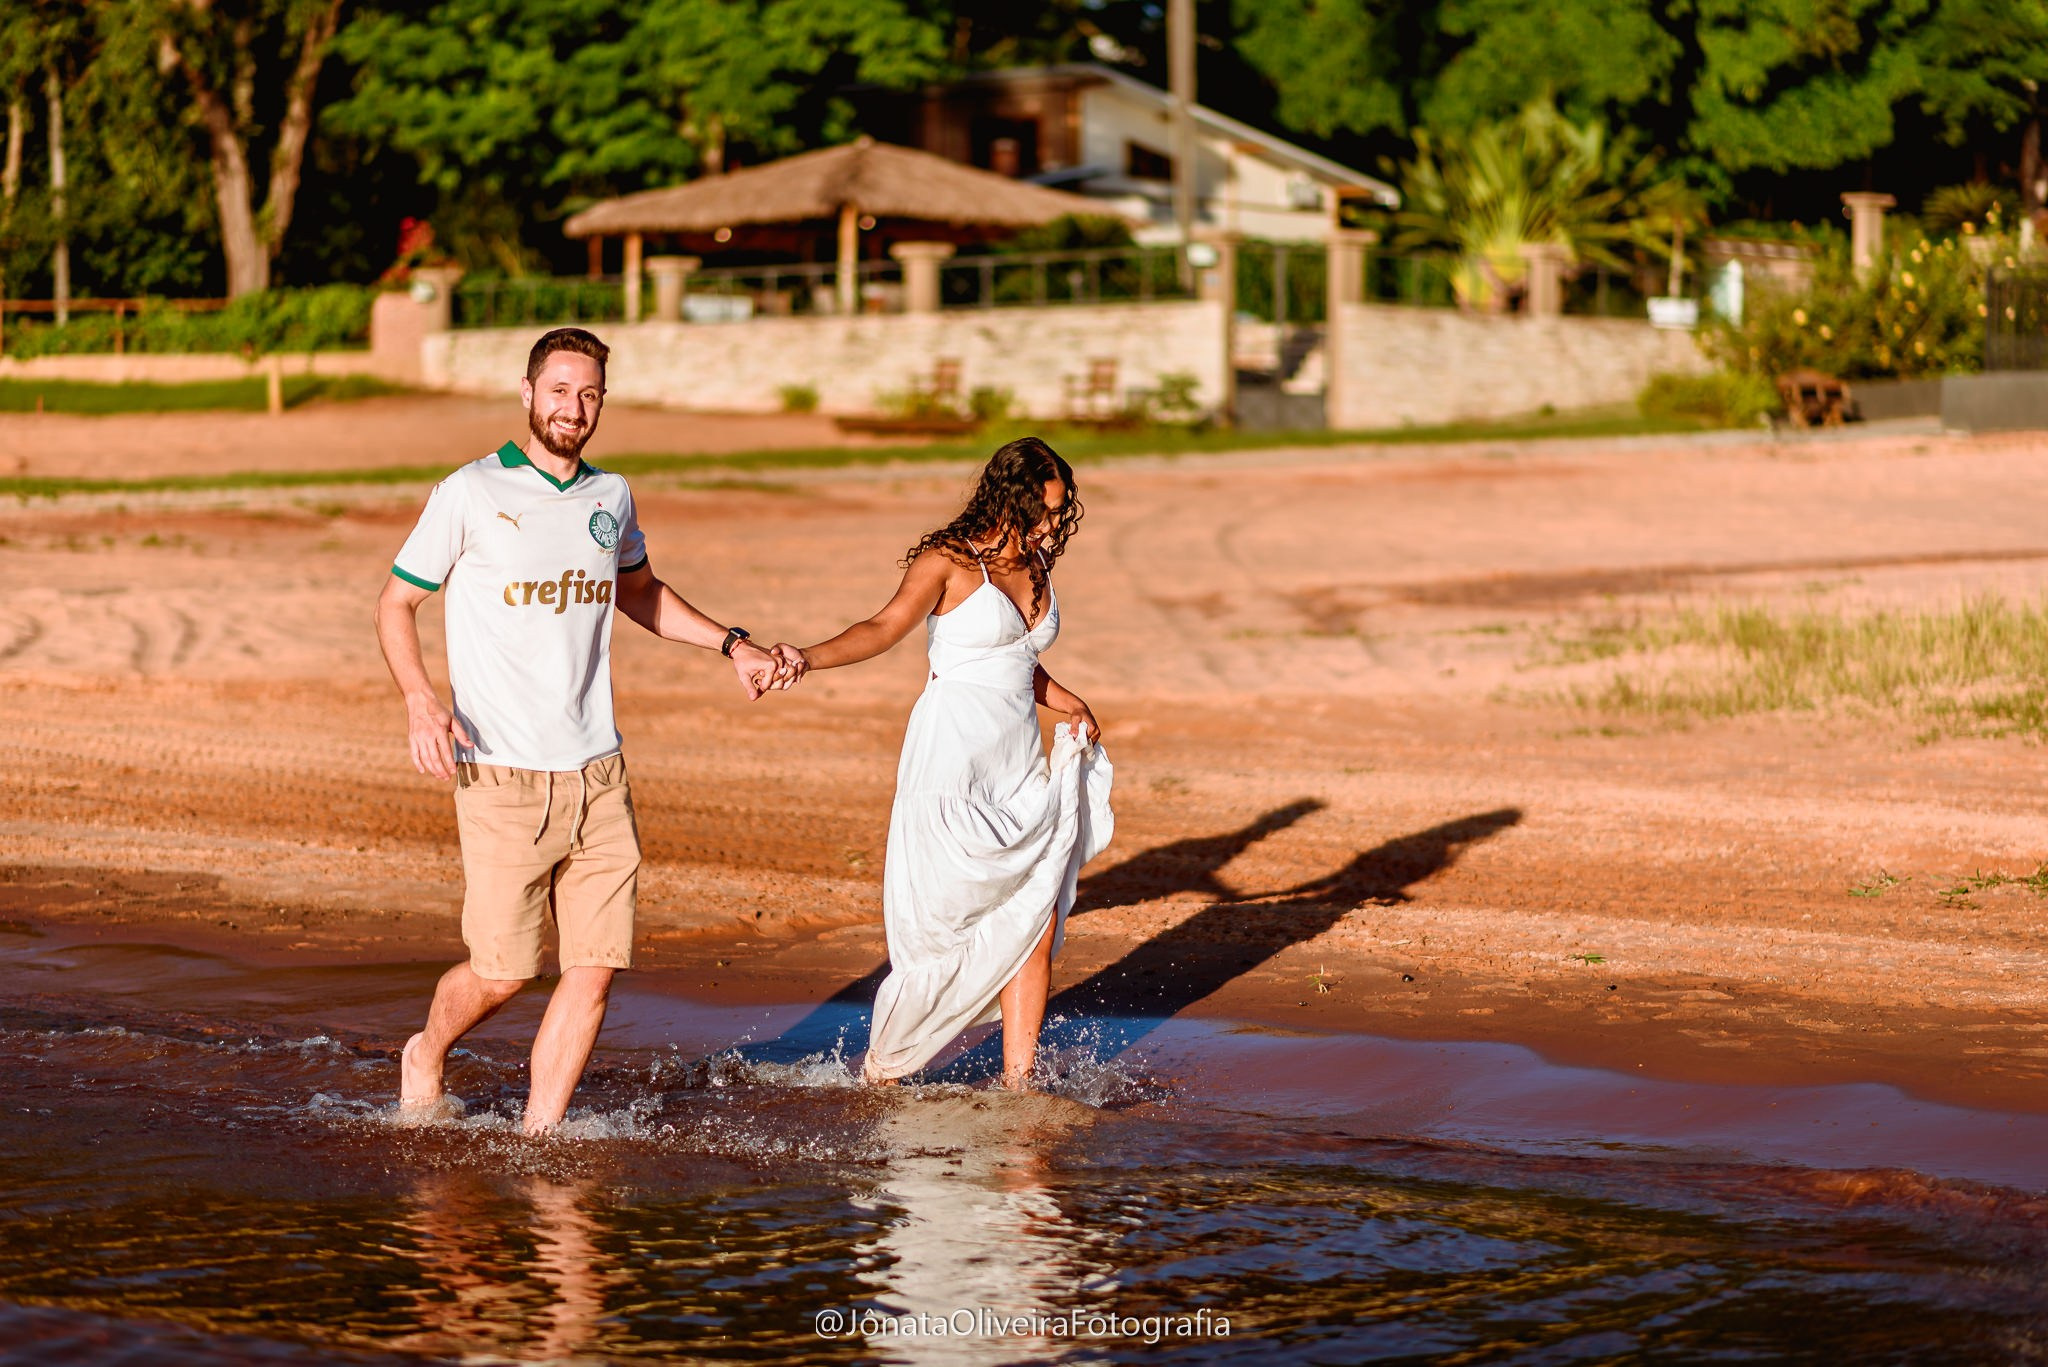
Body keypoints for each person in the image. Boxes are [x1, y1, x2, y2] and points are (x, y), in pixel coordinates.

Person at [374, 326, 786, 1134]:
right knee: (502, 973)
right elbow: (397, 601)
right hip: (499, 770)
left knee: (594, 970)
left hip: (599, 772)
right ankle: (425, 1050)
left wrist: (733, 644)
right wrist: (421, 698)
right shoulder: (470, 491)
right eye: (560, 390)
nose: (575, 407)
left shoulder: (611, 497)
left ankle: (540, 1139)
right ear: (528, 394)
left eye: (590, 393)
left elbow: (640, 592)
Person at [772, 436, 1113, 1089]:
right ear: (1007, 498)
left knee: (1033, 919)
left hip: (1016, 766)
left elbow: (1015, 661)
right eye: (1040, 510)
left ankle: (1019, 1085)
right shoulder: (948, 562)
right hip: (951, 762)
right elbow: (880, 627)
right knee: (943, 925)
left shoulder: (1037, 564)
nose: (1049, 525)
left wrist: (1069, 700)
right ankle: (887, 1071)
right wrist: (807, 657)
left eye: (1057, 511)